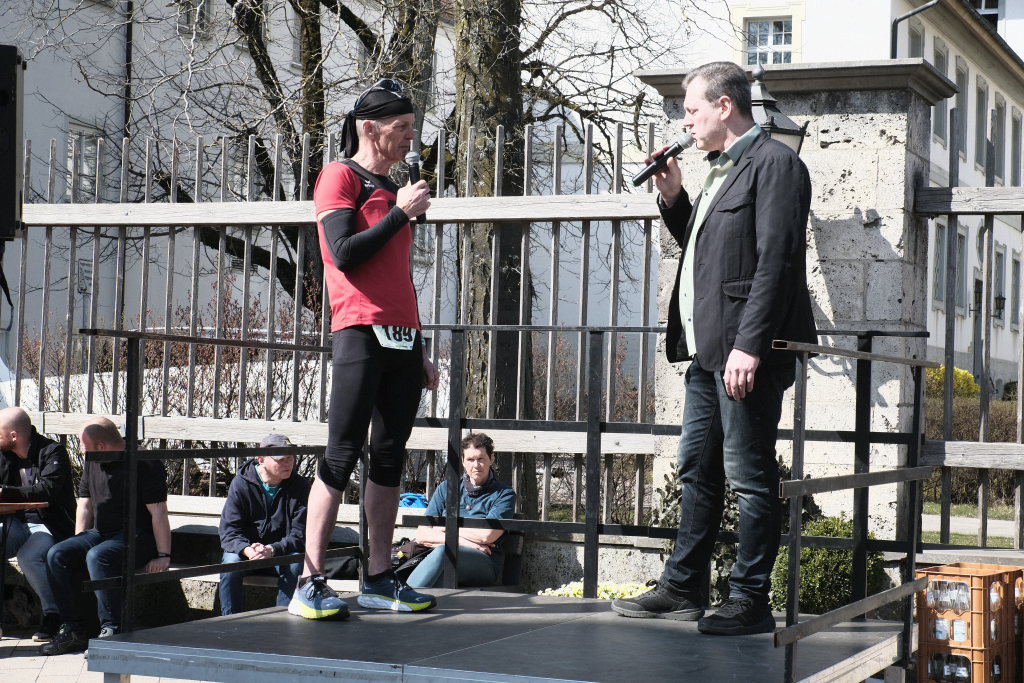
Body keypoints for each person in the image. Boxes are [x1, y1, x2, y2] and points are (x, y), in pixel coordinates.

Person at [610, 61, 816, 636]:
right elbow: (707, 251)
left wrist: (751, 346)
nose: (685, 121)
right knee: (697, 470)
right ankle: (683, 588)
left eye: (691, 109)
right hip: (708, 353)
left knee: (749, 475)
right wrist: (674, 196)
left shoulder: (775, 164)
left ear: (725, 106)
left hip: (747, 353)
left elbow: (777, 262)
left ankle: (750, 598)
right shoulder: (719, 171)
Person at [288, 77, 439, 621]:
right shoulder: (339, 175)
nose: (412, 137)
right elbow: (343, 253)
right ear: (370, 128)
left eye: (413, 127)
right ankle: (310, 580)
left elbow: (398, 275)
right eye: (402, 127)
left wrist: (419, 345)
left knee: (391, 456)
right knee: (341, 452)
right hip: (358, 329)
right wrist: (400, 212)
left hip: (402, 337)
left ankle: (377, 578)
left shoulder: (393, 185)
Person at [42, 417, 171, 654]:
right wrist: (77, 542)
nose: (82, 451)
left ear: (101, 446)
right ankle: (74, 630)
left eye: (84, 445)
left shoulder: (143, 462)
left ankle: (113, 631)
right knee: (58, 553)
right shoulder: (93, 459)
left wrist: (163, 555)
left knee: (97, 556)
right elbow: (85, 506)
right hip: (102, 533)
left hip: (138, 537)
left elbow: (159, 511)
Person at [0, 407, 75, 642]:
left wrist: (7, 492)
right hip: (15, 521)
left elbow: (48, 490)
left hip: (47, 524)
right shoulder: (3, 454)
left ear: (14, 436)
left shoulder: (52, 452)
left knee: (29, 556)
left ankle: (53, 614)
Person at [406, 433, 516, 588]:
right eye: (470, 459)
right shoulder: (447, 488)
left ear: (492, 459)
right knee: (441, 579)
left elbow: (487, 535)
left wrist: (445, 528)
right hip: (442, 561)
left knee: (445, 552)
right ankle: (411, 598)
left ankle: (404, 594)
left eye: (481, 459)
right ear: (463, 461)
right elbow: (422, 534)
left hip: (484, 563)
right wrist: (466, 542)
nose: (476, 465)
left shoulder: (504, 494)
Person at [218, 434, 309, 614]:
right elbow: (229, 531)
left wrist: (272, 549)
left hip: (280, 552)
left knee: (295, 563)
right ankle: (229, 622)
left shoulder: (300, 486)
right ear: (261, 459)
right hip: (247, 552)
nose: (287, 463)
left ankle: (282, 620)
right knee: (230, 564)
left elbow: (300, 534)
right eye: (280, 459)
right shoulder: (241, 484)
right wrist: (248, 550)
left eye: (290, 457)